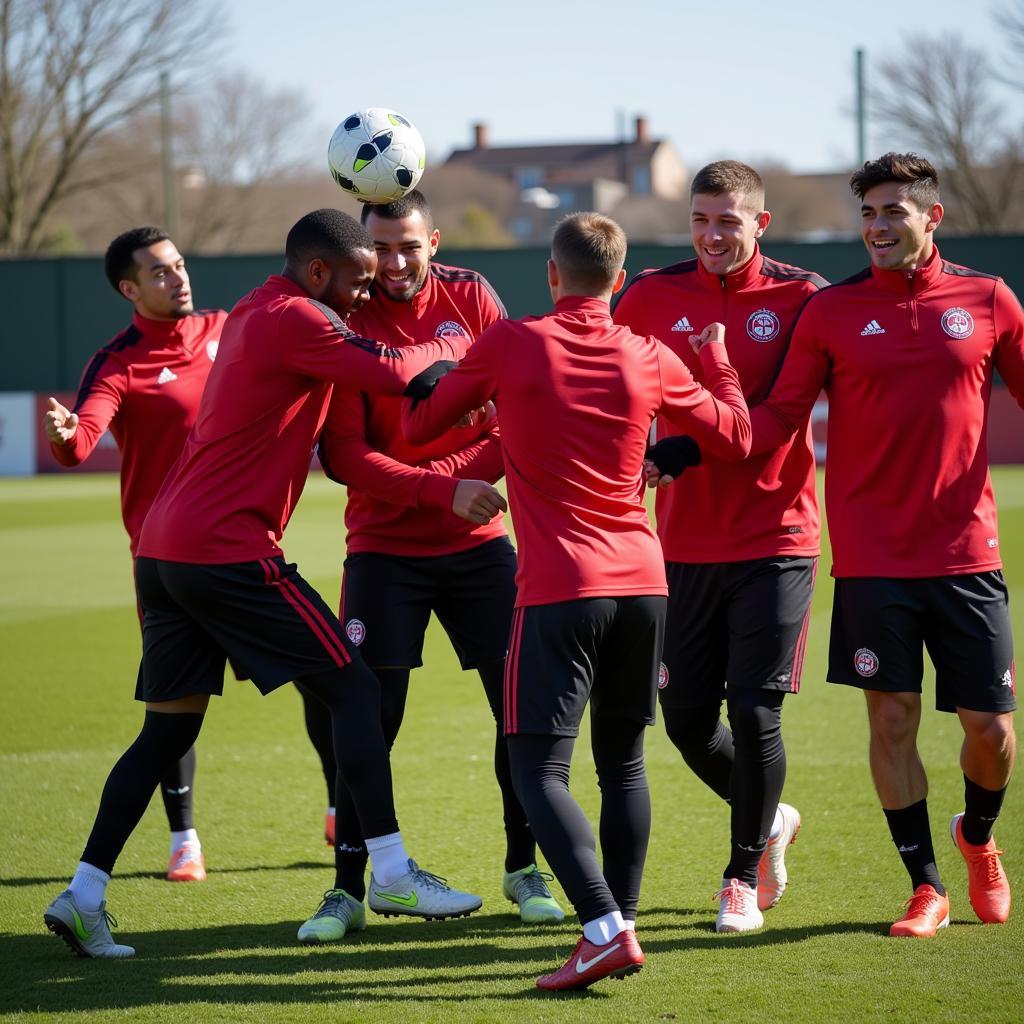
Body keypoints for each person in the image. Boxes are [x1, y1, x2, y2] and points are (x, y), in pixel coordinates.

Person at [42, 209, 485, 959]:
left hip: (163, 552)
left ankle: (83, 895)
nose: (363, 297)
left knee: (167, 731)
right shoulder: (297, 316)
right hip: (226, 550)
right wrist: (458, 339)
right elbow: (389, 370)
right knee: (353, 691)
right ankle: (392, 872)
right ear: (319, 273)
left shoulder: (254, 308)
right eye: (357, 281)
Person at [401, 212, 752, 990]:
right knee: (623, 763)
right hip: (646, 585)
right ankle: (619, 922)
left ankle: (600, 928)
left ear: (553, 277)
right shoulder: (650, 353)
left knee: (537, 771)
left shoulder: (512, 344)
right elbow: (735, 435)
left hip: (560, 590)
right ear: (619, 283)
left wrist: (474, 400)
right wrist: (719, 361)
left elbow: (421, 429)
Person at [694, 153, 1022, 937]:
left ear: (931, 217)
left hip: (967, 554)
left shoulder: (988, 299)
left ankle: (976, 837)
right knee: (893, 721)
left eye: (893, 213)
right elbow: (776, 421)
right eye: (868, 213)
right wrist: (697, 429)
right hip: (873, 560)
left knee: (994, 731)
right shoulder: (832, 311)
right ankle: (926, 886)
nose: (876, 227)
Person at [295, 190, 563, 944]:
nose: (397, 262)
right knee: (368, 720)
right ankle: (349, 889)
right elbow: (343, 452)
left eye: (410, 245)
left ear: (433, 240)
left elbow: (522, 409)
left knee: (518, 710)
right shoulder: (344, 318)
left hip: (480, 547)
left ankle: (524, 868)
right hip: (383, 549)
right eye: (381, 248)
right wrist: (443, 489)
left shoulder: (473, 296)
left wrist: (461, 489)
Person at [612, 161, 827, 932]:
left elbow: (774, 420)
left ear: (759, 224)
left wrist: (675, 454)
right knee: (686, 720)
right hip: (682, 544)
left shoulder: (803, 298)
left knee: (756, 709)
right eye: (701, 221)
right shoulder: (647, 296)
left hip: (778, 536)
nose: (712, 236)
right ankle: (772, 819)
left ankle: (739, 879)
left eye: (728, 222)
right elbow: (614, 392)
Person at [44, 227, 225, 885]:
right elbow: (81, 438)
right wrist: (68, 436)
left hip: (244, 549)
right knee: (176, 707)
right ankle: (184, 841)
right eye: (158, 272)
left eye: (178, 264)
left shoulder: (228, 331)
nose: (177, 277)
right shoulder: (117, 360)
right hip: (167, 565)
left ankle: (339, 815)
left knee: (330, 680)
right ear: (130, 289)